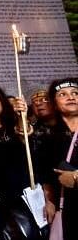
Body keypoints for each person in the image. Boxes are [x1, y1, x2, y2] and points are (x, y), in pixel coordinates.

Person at [0, 81, 45, 239]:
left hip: (25, 203)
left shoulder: (14, 127)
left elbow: (24, 136)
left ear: (2, 101)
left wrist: (21, 117)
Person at [43, 77, 78, 240]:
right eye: (63, 94)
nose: (71, 97)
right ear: (54, 104)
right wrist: (49, 201)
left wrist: (76, 178)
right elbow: (46, 174)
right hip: (66, 211)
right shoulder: (49, 137)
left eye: (75, 93)